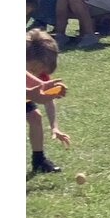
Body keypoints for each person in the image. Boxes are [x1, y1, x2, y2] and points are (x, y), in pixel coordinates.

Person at [26, 29, 71, 174]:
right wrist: (30, 93)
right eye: (33, 69)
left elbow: (45, 97)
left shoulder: (37, 72)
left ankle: (39, 161)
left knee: (34, 116)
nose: (37, 73)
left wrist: (54, 127)